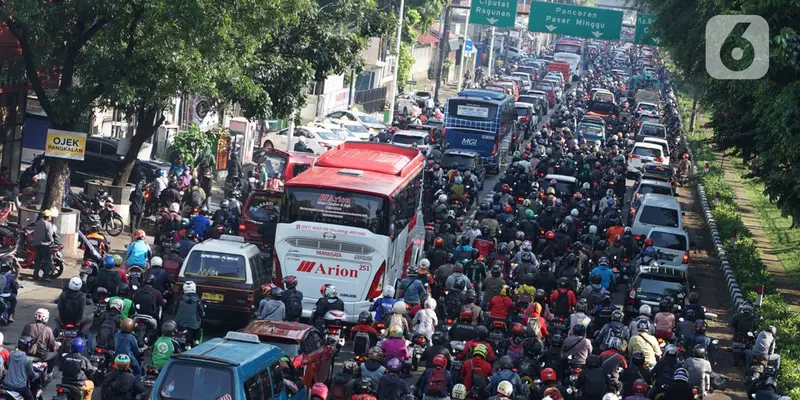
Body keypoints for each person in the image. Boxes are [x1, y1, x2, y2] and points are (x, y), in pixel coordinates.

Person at [173, 281, 205, 348]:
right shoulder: (197, 300)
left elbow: (175, 311)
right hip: (193, 326)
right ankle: (197, 341)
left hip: (179, 324)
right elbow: (201, 314)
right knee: (198, 327)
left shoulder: (179, 299)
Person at [32, 208, 58, 280]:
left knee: (37, 261)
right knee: (48, 261)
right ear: (49, 216)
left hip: (37, 244)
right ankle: (45, 276)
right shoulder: (48, 224)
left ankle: (35, 275)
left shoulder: (38, 222)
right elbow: (49, 235)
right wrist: (52, 240)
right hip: (45, 245)